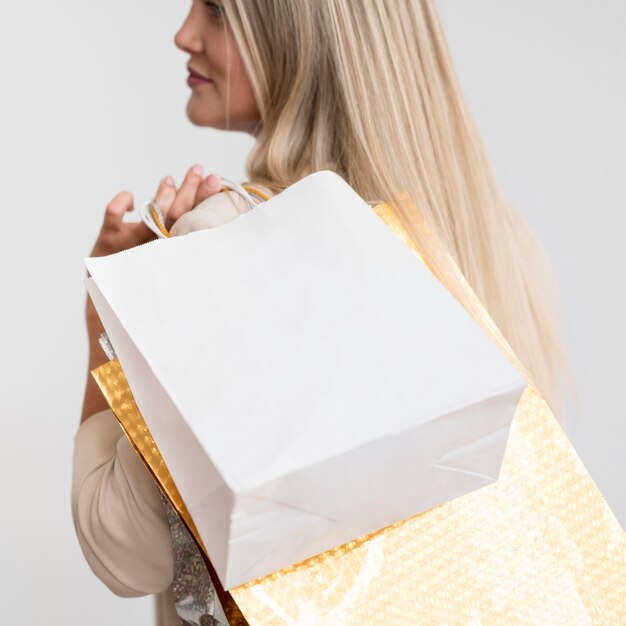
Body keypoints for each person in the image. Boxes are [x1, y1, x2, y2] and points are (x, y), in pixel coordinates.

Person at [72, 1, 575, 624]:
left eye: (218, 11)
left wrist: (109, 320)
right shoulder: (497, 239)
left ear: (305, 33)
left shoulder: (228, 237)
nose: (183, 34)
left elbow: (123, 547)